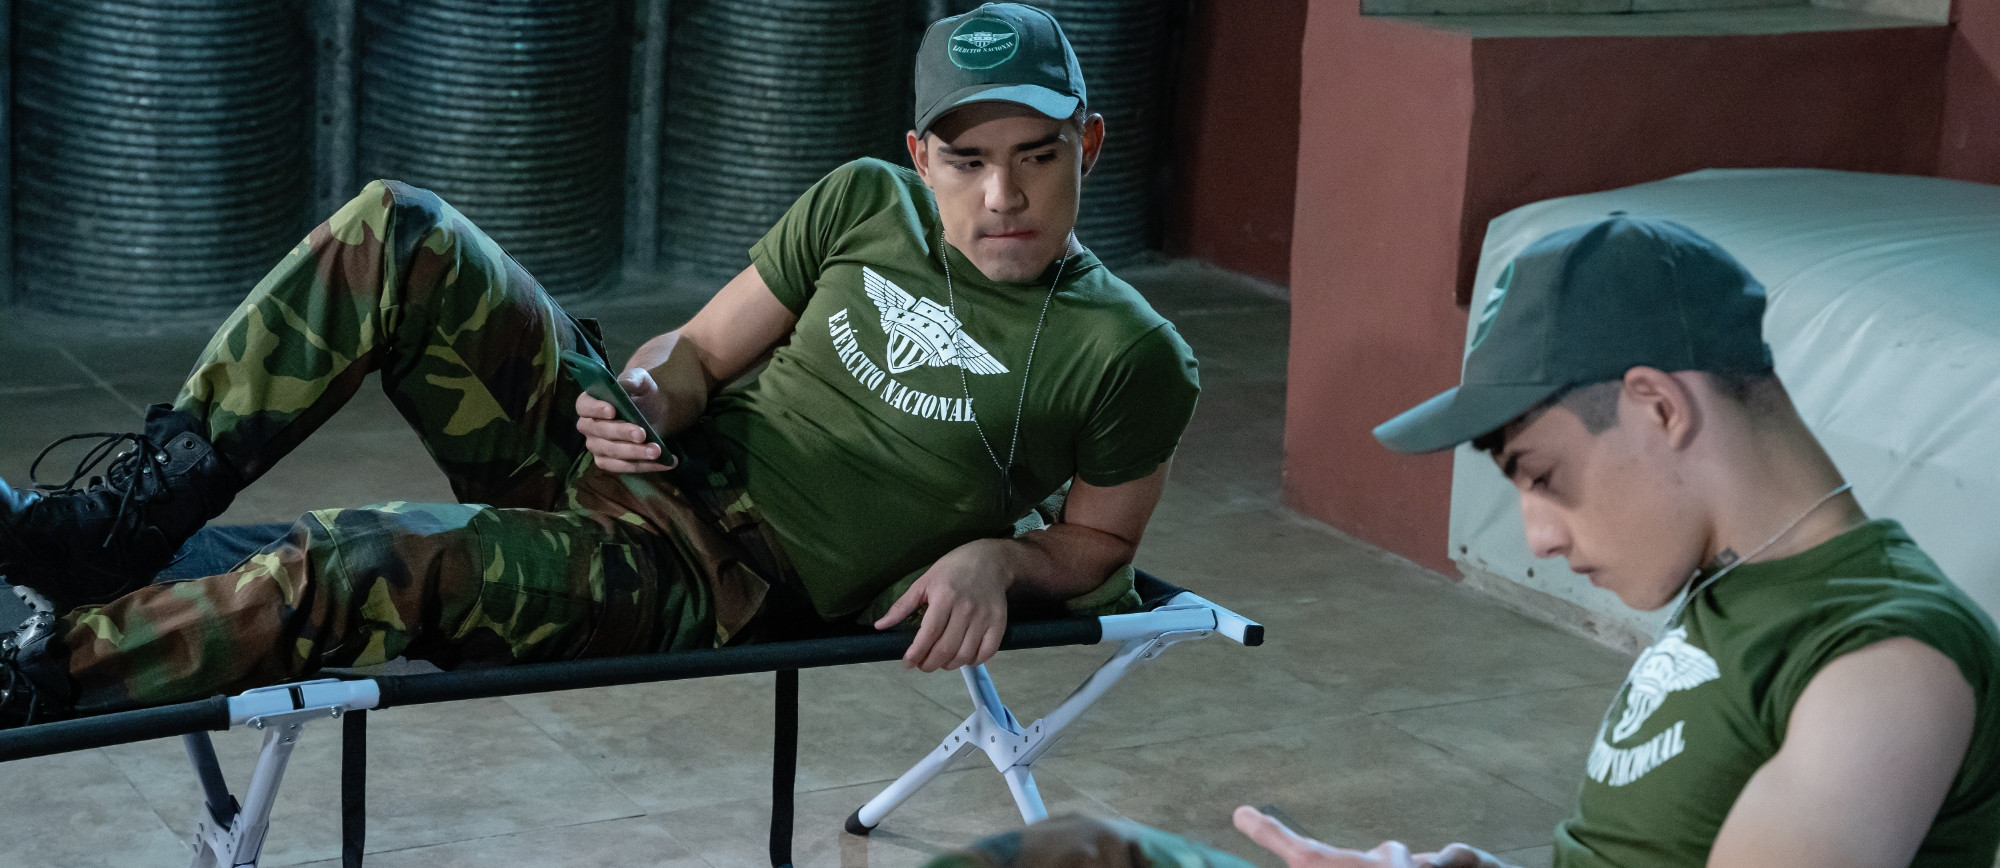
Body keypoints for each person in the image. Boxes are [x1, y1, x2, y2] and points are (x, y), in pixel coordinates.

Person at [0, 2, 1199, 726]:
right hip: (636, 465)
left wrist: (999, 556)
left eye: (1036, 155)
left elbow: (1097, 544)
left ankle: (43, 672)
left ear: (1088, 144)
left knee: (363, 564)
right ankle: (113, 529)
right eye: (965, 159)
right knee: (396, 229)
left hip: (703, 581)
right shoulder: (860, 201)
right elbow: (701, 350)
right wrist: (647, 392)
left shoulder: (1127, 352)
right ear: (918, 153)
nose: (1001, 197)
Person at [920, 216, 2000, 868]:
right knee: (1072, 855)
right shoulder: (1750, 593)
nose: (1537, 533)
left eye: (1544, 476)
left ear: (1658, 408)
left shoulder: (1881, 664)